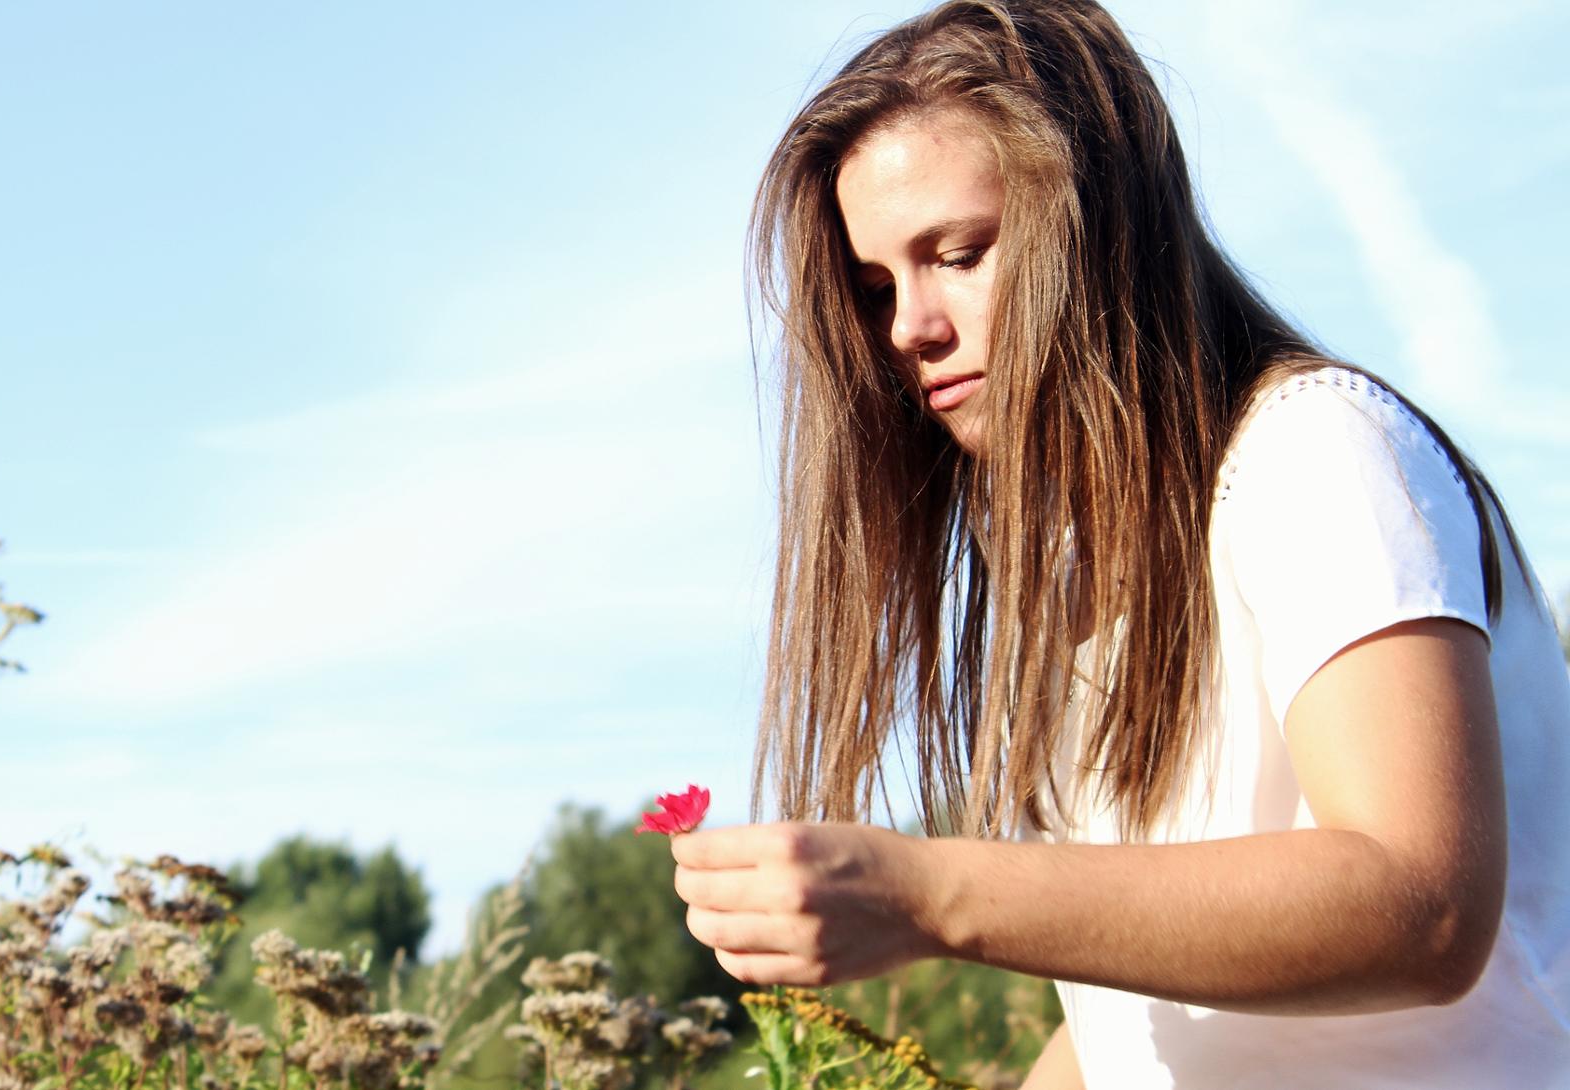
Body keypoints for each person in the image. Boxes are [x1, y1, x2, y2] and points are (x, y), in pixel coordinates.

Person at [669, 2, 1570, 1086]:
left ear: (1105, 228)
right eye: (876, 288)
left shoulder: (1314, 453)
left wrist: (930, 893)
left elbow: (1418, 903)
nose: (910, 325)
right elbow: (1133, 1020)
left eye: (958, 253)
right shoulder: (1069, 570)